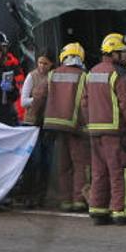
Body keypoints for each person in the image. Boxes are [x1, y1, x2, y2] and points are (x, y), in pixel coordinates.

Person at [82, 34, 126, 225]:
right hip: (116, 132)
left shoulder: (92, 72)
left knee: (99, 172)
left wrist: (91, 123)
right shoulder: (119, 75)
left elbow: (84, 103)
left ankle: (98, 210)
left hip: (95, 131)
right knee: (119, 170)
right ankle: (121, 211)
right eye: (123, 53)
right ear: (114, 53)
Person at [41, 43, 91, 212]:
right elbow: (86, 103)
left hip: (56, 127)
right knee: (79, 164)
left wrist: (33, 120)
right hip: (77, 127)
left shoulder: (52, 74)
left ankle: (65, 201)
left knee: (63, 165)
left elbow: (40, 96)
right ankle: (78, 200)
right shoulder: (84, 76)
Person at [20, 49, 56, 207]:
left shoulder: (53, 77)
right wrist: (38, 98)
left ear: (51, 64)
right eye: (40, 62)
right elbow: (23, 101)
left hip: (47, 122)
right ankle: (29, 193)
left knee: (47, 162)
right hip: (32, 122)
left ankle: (42, 194)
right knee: (35, 160)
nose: (41, 66)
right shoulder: (32, 76)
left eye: (45, 63)